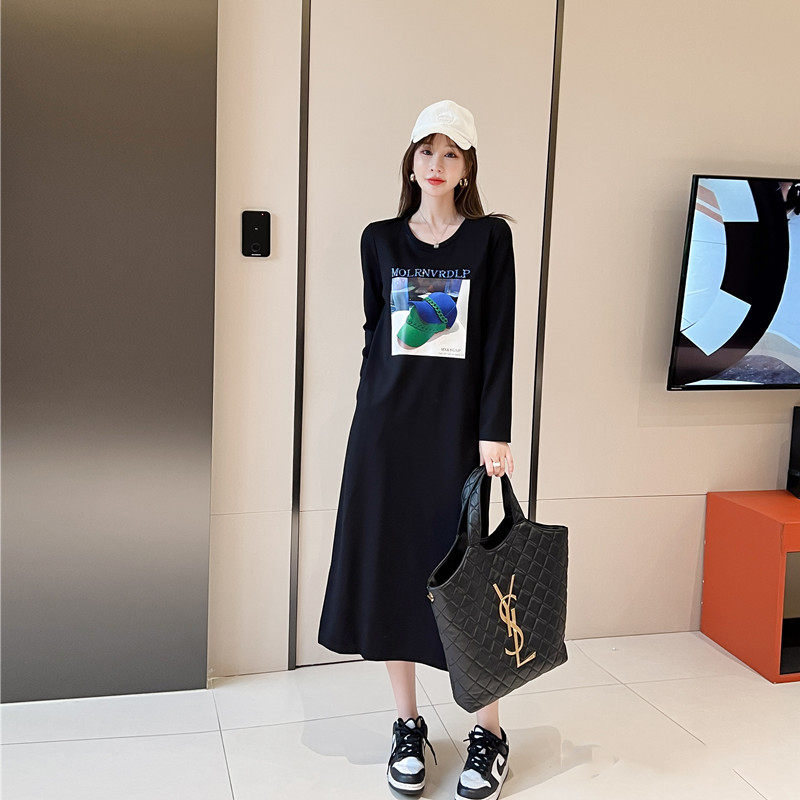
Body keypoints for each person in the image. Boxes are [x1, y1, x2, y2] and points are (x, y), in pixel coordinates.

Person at [317, 99, 516, 800]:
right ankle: (408, 724)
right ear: (410, 161)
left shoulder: (489, 240)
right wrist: (368, 416)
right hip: (386, 435)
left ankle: (489, 732)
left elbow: (498, 340)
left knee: (469, 580)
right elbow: (375, 335)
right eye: (426, 151)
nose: (436, 164)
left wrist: (495, 429)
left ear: (467, 168)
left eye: (450, 153)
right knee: (394, 572)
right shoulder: (380, 240)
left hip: (457, 435)